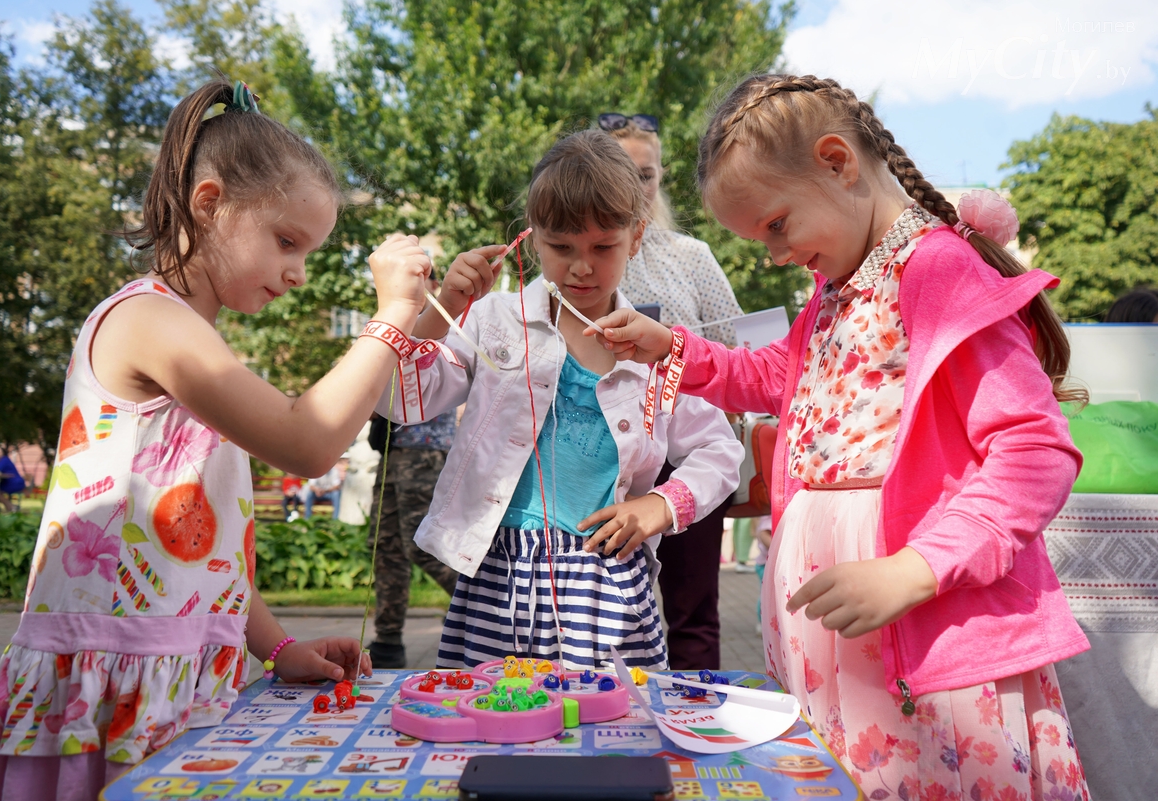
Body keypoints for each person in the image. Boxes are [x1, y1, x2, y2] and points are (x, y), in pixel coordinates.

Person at [592, 74, 1090, 798]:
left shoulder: (937, 269)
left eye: (776, 225)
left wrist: (916, 568)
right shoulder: (843, 285)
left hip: (931, 649)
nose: (774, 254)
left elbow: (1034, 450)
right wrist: (670, 346)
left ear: (836, 161)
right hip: (856, 656)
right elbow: (775, 376)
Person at [0, 77, 459, 801]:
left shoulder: (197, 341)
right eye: (287, 241)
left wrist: (277, 645)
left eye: (310, 252)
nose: (296, 272)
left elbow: (207, 548)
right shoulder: (148, 323)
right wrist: (390, 317)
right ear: (210, 202)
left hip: (166, 670)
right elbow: (310, 441)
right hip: (113, 685)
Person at [387, 129, 742, 670]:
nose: (582, 267)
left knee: (609, 737)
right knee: (487, 721)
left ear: (637, 237)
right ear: (532, 241)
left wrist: (661, 506)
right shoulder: (491, 320)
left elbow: (721, 448)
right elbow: (402, 398)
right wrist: (445, 305)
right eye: (561, 247)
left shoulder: (654, 349)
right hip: (495, 578)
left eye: (603, 247)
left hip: (605, 586)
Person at [602, 112, 745, 670]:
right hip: (602, 457)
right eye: (622, 172)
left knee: (692, 613)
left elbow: (739, 348)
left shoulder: (691, 256)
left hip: (686, 458)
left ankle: (698, 727)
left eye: (647, 173)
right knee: (598, 609)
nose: (637, 186)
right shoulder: (574, 258)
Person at [366, 408, 460, 668]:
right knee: (387, 548)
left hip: (424, 452)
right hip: (393, 450)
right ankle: (388, 642)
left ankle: (482, 606)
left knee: (423, 546)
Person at [0, 448, 27, 513]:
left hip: (14, 483)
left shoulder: (4, 459)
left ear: (3, 453)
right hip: (8, 482)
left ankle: (10, 506)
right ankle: (11, 506)